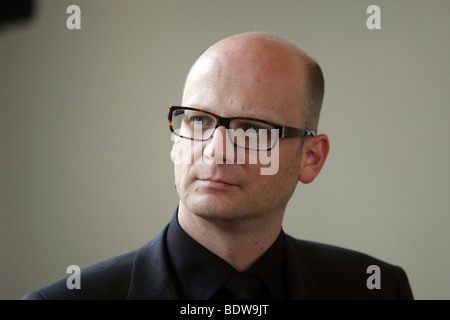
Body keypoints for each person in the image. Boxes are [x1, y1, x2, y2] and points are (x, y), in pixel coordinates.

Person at [22, 32, 413, 300]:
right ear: (176, 141)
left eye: (253, 129)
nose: (216, 150)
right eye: (199, 121)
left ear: (310, 158)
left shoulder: (376, 289)